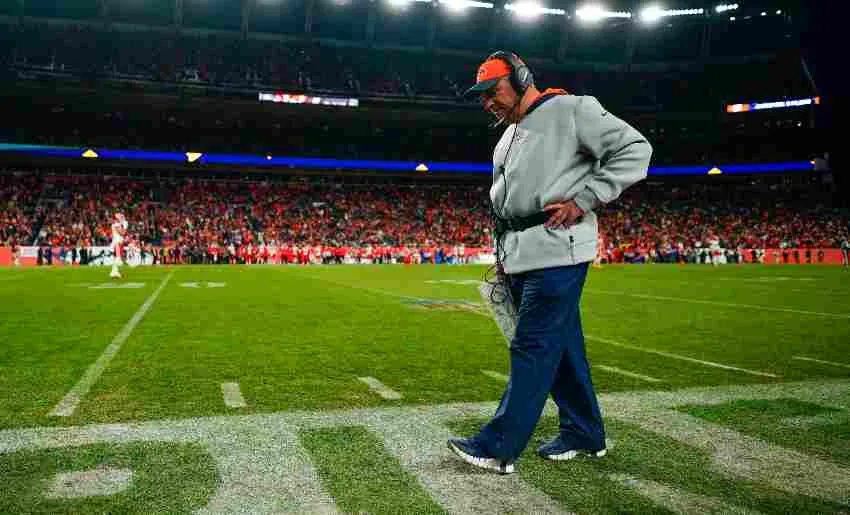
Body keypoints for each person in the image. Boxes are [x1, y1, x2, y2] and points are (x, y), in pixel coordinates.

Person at [447, 51, 652, 474]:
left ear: (522, 79)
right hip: (520, 253)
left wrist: (585, 199)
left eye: (494, 91)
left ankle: (498, 446)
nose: (488, 102)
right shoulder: (507, 136)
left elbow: (636, 148)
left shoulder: (573, 109)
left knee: (533, 345)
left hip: (559, 249)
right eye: (482, 97)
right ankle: (585, 432)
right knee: (562, 350)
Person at [110, 212, 128, 278]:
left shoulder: (117, 224)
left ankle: (114, 272)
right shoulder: (116, 224)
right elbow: (122, 233)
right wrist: (125, 227)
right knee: (118, 259)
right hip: (117, 243)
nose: (121, 218)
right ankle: (115, 272)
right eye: (120, 217)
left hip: (118, 242)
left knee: (116, 259)